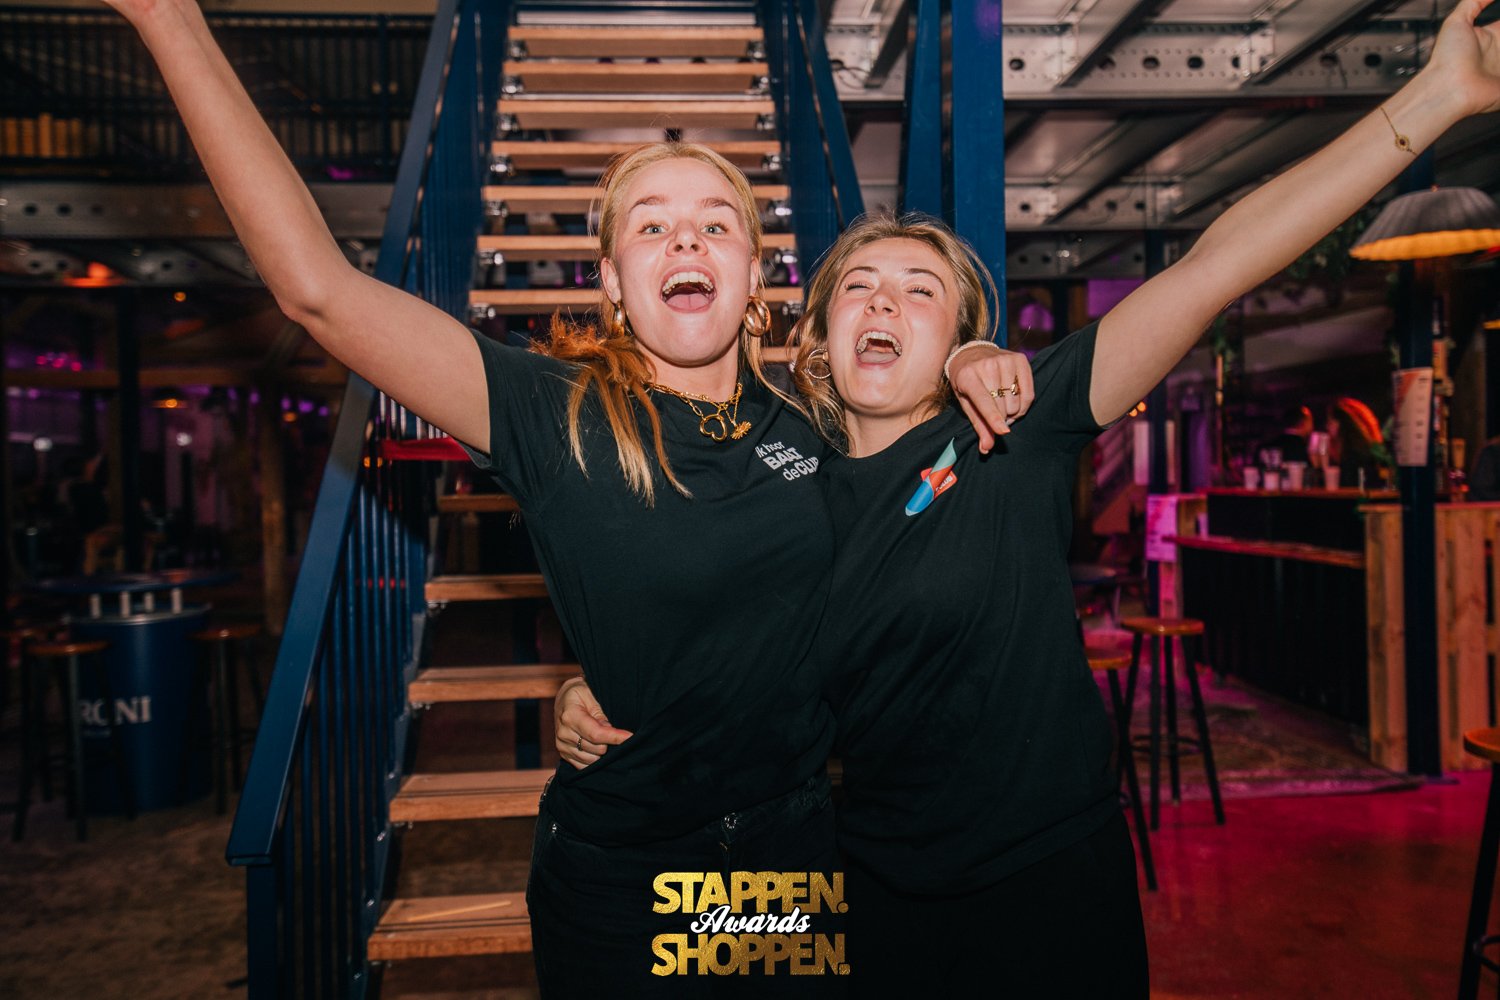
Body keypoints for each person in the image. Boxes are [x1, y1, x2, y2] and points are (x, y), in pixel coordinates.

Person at [559, 3, 1500, 993]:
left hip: (1046, 888)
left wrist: (1436, 97)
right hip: (869, 895)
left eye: (922, 292)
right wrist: (593, 688)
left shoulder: (1010, 433)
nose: (884, 301)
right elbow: (703, 643)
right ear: (821, 342)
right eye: (860, 286)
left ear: (960, 339)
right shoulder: (785, 490)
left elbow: (1217, 264)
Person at [101, 4, 1035, 994]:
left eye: (716, 224)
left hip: (788, 857)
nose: (686, 238)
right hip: (625, 876)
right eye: (652, 225)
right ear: (614, 282)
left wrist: (975, 350)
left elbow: (929, 406)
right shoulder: (553, 413)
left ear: (755, 275)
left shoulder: (814, 420)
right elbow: (315, 290)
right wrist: (171, 22)